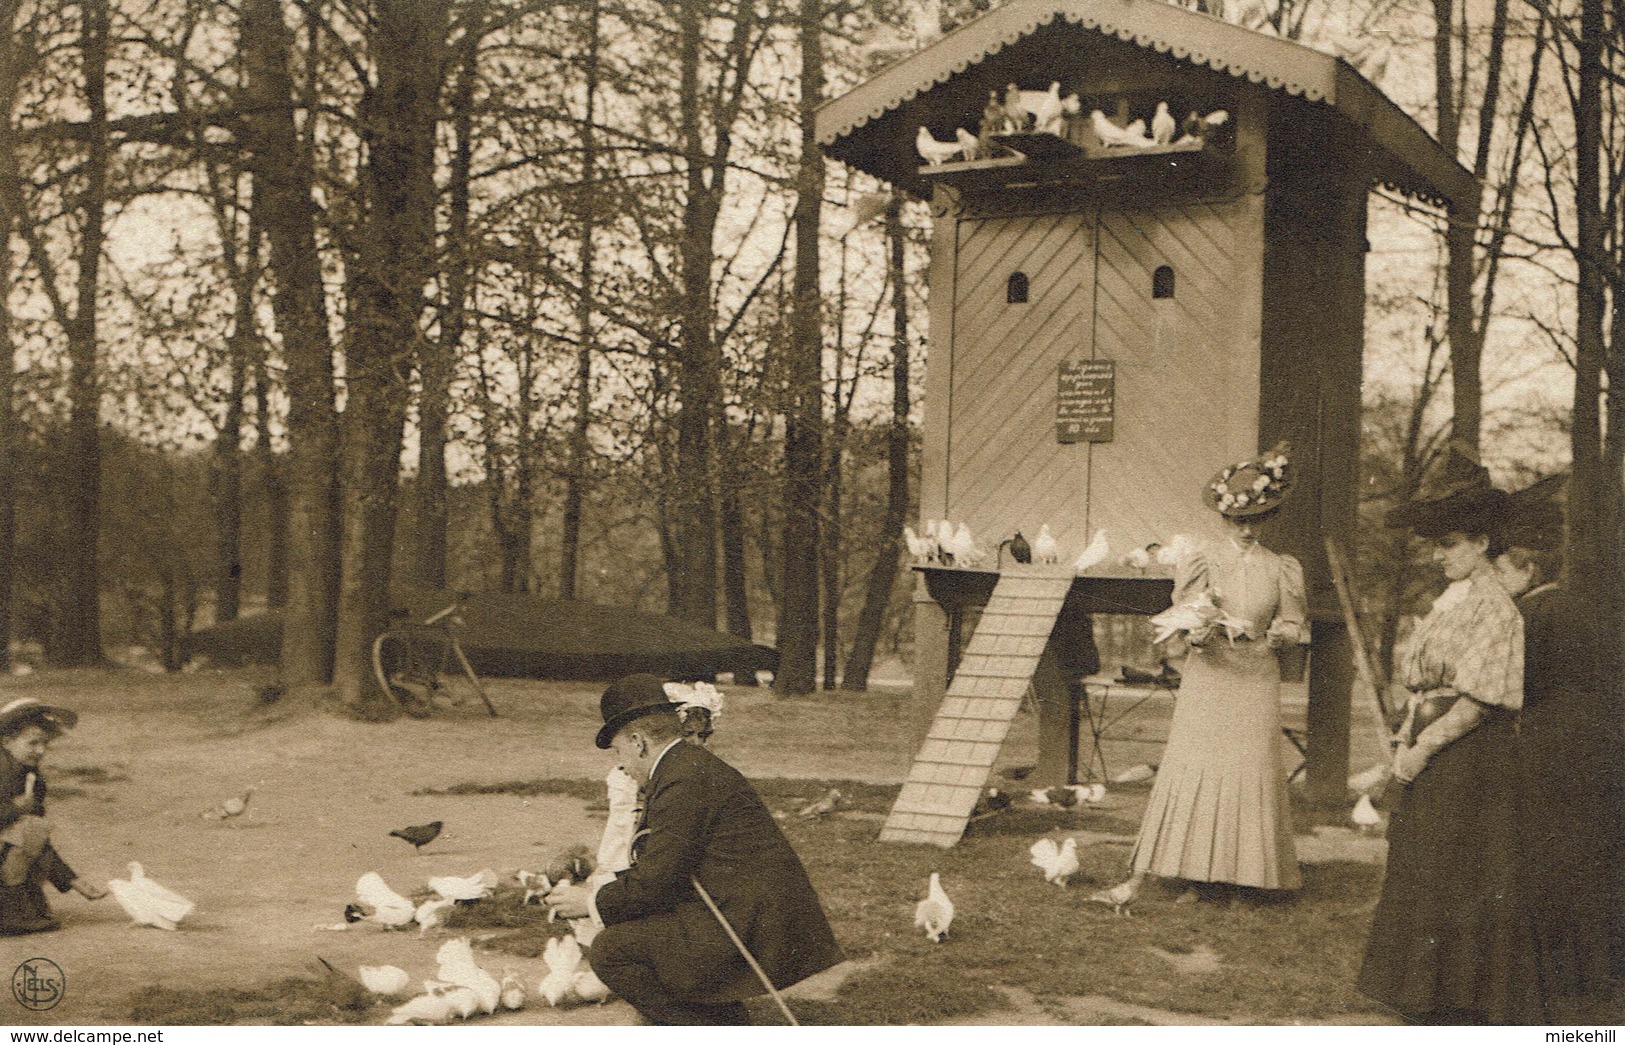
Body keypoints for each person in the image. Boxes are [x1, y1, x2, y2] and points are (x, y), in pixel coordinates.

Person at [1356, 453, 1541, 1024]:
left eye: (1451, 544)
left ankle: (1458, 1000)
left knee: (1455, 866)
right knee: (1422, 862)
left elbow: (1479, 701)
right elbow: (1424, 682)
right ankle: (1422, 993)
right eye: (1436, 545)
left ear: (1483, 542)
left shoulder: (1496, 608)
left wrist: (1420, 750)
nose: (1439, 556)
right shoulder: (1452, 601)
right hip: (1431, 742)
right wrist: (1403, 737)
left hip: (1467, 755)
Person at [545, 674, 843, 1024]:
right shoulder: (684, 767)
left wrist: (590, 901)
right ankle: (715, 1015)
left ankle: (710, 1025)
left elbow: (657, 883)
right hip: (743, 910)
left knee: (613, 950)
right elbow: (665, 867)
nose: (621, 764)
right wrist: (600, 892)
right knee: (635, 930)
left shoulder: (683, 779)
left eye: (618, 751)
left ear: (639, 742)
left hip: (750, 924)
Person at [1089, 441, 1308, 913]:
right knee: (1201, 767)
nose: (1246, 530)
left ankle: (1247, 881)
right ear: (1224, 519)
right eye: (1237, 520)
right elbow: (1184, 619)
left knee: (1249, 769)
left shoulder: (1282, 568)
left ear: (1269, 519)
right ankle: (1194, 877)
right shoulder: (1203, 560)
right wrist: (1197, 635)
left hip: (1256, 676)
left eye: (1256, 520)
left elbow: (1295, 622)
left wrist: (1282, 635)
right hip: (1211, 676)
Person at [1496, 530, 1625, 1022]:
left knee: (1549, 854)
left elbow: (1518, 685)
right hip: (1596, 741)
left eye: (1505, 571)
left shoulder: (1529, 616)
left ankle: (1557, 971)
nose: (1501, 582)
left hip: (1549, 742)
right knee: (1589, 853)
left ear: (1528, 570)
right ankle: (1597, 969)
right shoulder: (1582, 608)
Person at [0, 698, 105, 935]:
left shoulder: (30, 778)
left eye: (45, 743)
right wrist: (16, 809)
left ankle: (18, 910)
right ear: (6, 741)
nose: (41, 750)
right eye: (32, 742)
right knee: (26, 829)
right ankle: (10, 915)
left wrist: (71, 880)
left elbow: (37, 841)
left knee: (31, 830)